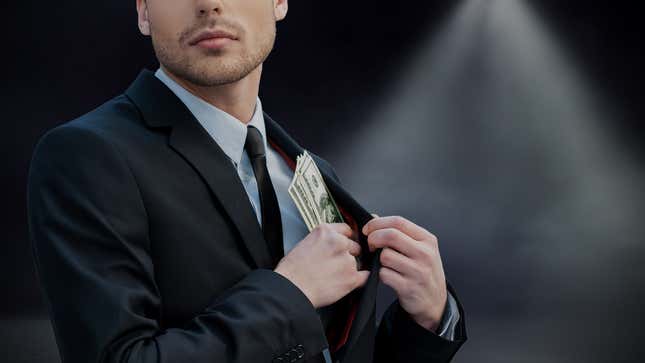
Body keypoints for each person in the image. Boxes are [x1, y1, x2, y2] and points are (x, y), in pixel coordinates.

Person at [26, 1, 467, 362]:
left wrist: (428, 320)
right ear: (144, 12)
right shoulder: (86, 155)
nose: (208, 4)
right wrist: (290, 293)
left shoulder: (312, 171)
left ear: (279, 2)